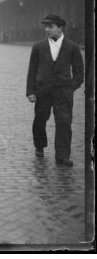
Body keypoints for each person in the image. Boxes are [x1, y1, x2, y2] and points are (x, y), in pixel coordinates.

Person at [26, 14, 84, 166]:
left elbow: (79, 72)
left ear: (60, 28)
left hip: (63, 92)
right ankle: (40, 145)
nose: (47, 29)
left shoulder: (72, 47)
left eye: (50, 26)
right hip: (43, 90)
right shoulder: (38, 47)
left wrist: (70, 87)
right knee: (40, 120)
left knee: (64, 122)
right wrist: (31, 91)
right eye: (45, 26)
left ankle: (62, 155)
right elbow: (32, 70)